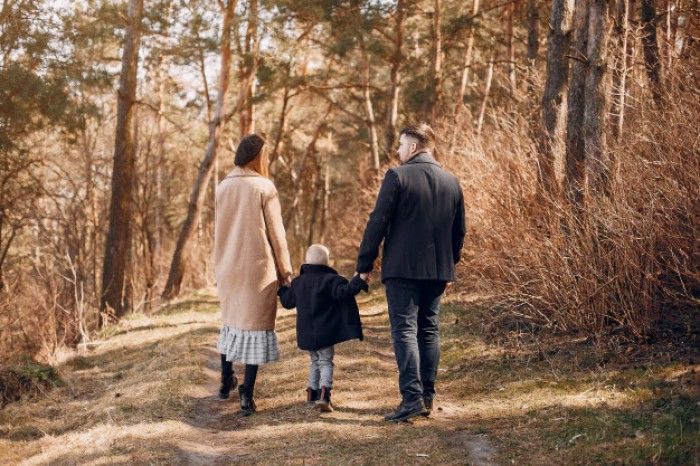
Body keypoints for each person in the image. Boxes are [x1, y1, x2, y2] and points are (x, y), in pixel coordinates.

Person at [356, 123, 466, 422]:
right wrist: (449, 265)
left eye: (401, 145)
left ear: (414, 147)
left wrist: (364, 266)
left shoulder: (397, 176)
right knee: (429, 330)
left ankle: (412, 398)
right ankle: (427, 397)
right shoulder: (451, 182)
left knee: (405, 330)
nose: (398, 151)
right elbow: (459, 233)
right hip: (437, 270)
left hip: (402, 269)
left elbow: (377, 222)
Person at [214, 134, 293, 417]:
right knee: (255, 328)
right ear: (258, 157)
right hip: (257, 268)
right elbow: (277, 234)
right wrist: (286, 272)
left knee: (231, 323)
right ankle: (246, 394)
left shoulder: (223, 186)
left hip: (227, 267)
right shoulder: (263, 186)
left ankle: (225, 383)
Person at [278, 244, 369, 412]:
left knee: (315, 361)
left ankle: (311, 394)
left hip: (306, 335)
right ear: (327, 263)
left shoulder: (298, 283)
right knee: (325, 362)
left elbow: (287, 302)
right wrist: (360, 280)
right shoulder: (330, 280)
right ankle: (324, 395)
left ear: (307, 262)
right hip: (325, 333)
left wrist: (283, 286)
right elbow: (346, 291)